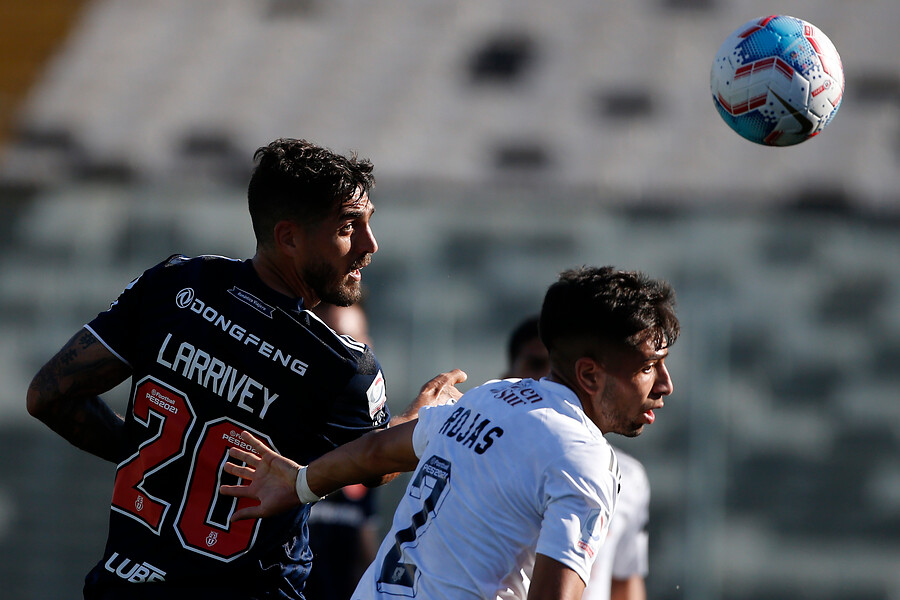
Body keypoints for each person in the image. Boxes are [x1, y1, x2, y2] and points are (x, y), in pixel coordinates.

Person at [25, 137, 465, 599]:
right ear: (288, 237)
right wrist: (418, 415)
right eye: (347, 227)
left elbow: (48, 395)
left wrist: (163, 461)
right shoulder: (340, 364)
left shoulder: (174, 284)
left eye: (368, 222)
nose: (369, 244)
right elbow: (376, 465)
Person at [221, 265, 679, 600]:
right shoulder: (585, 456)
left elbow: (377, 452)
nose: (665, 384)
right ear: (590, 375)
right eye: (648, 367)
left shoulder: (490, 397)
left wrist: (300, 482)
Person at [502, 316, 650, 600]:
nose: (547, 379)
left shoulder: (628, 476)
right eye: (536, 364)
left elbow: (625, 581)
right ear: (506, 377)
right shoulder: (485, 455)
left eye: (558, 369)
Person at [306, 302, 380, 600]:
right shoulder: (275, 429)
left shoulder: (366, 443)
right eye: (333, 339)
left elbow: (364, 551)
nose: (347, 355)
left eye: (355, 342)